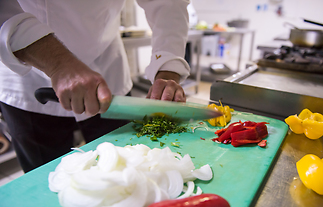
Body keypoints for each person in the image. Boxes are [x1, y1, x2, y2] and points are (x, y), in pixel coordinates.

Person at [0, 0, 191, 173]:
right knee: (45, 178)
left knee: (128, 167)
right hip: (31, 74)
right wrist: (59, 64)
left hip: (108, 68)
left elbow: (168, 3)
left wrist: (167, 68)